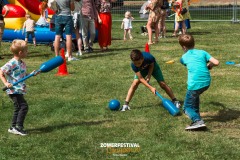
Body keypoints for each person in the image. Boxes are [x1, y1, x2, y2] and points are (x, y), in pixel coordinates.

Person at [178, 34, 219, 130]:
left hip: (194, 84)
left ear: (183, 47)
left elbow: (188, 64)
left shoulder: (183, 58)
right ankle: (197, 116)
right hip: (206, 82)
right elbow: (216, 62)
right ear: (194, 43)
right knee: (195, 98)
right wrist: (209, 66)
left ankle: (197, 121)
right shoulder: (203, 52)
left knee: (186, 108)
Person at [0, 39, 37, 136]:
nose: (27, 52)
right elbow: (1, 72)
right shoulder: (12, 63)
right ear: (20, 53)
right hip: (13, 90)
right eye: (26, 50)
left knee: (18, 108)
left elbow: (22, 75)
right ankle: (18, 127)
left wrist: (31, 74)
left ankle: (12, 127)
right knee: (23, 107)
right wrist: (6, 83)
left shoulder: (22, 63)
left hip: (19, 89)